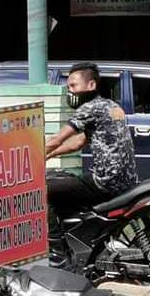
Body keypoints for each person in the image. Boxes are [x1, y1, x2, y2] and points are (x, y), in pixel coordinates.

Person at [44, 62, 139, 268]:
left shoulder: (90, 108)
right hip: (124, 181)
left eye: (73, 86)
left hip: (104, 182)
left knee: (42, 191)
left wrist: (35, 156)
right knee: (65, 183)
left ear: (91, 85)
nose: (70, 91)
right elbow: (79, 142)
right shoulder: (111, 106)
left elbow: (58, 138)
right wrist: (49, 156)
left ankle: (58, 257)